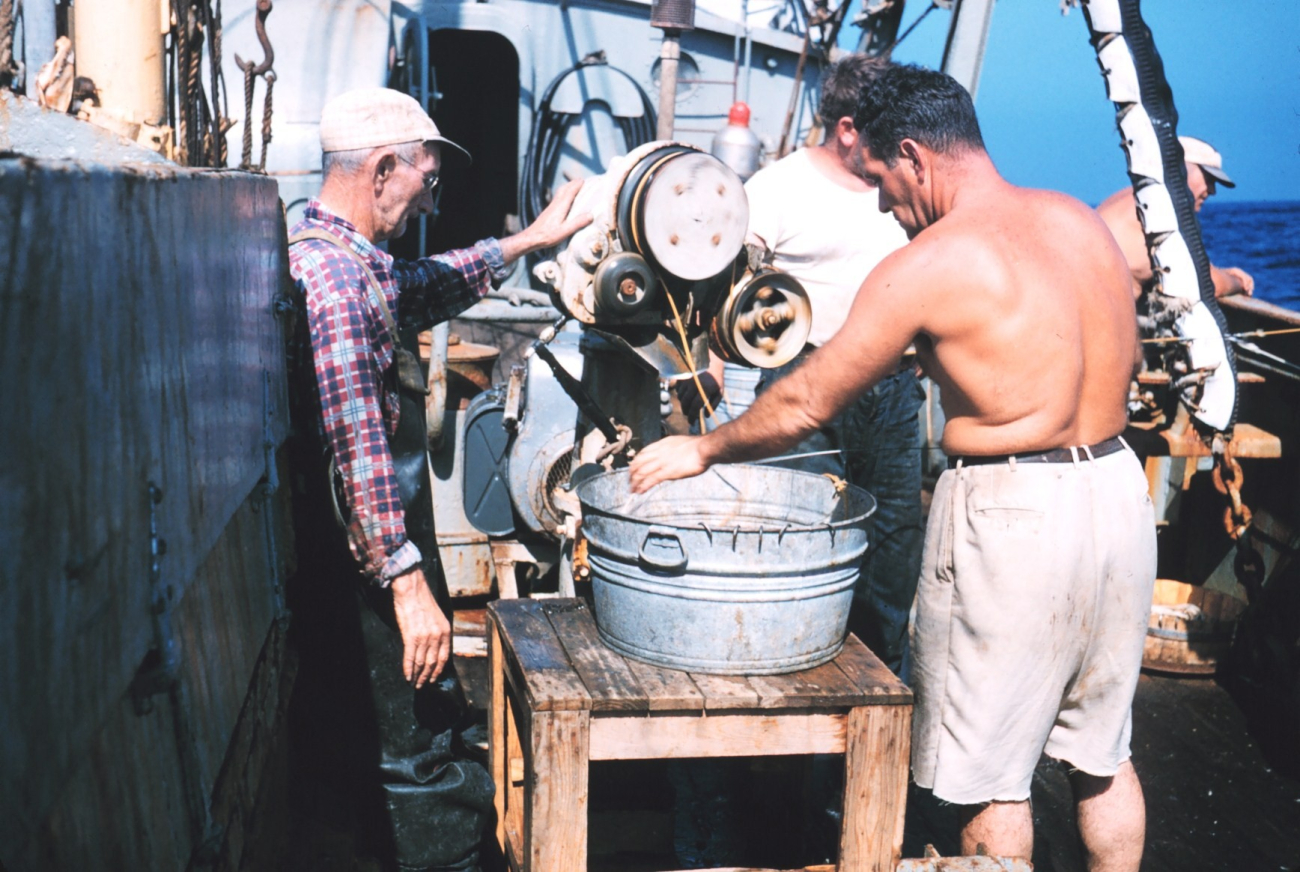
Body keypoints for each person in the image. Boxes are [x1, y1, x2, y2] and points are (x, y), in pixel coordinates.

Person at [632, 64, 1157, 871]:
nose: (881, 202)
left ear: (913, 156)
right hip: (1120, 494)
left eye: (881, 179)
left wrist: (703, 446)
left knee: (989, 778)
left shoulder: (930, 262)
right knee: (1102, 756)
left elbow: (808, 400)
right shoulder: (1083, 225)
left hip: (1015, 510)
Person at [285, 87, 588, 872]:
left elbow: (422, 285)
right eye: (425, 178)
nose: (427, 199)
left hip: (376, 556)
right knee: (416, 756)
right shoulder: (337, 284)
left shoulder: (348, 259)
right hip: (368, 565)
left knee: (429, 727)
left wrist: (524, 244)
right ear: (383, 168)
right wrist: (405, 582)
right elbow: (355, 440)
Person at [682, 54, 920, 676]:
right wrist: (706, 365)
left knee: (894, 550)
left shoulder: (907, 188)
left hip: (894, 391)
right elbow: (723, 289)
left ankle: (881, 696)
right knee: (805, 540)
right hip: (803, 382)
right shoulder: (777, 189)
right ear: (847, 129)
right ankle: (794, 685)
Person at [1097, 135, 1253, 299]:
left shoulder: (1127, 196)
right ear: (1180, 170)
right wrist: (1239, 282)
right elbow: (1209, 284)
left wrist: (1220, 272)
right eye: (1209, 179)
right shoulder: (1168, 207)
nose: (1213, 190)